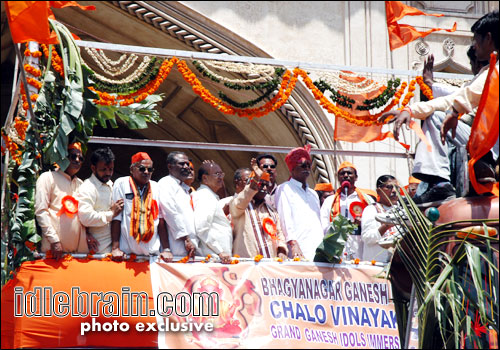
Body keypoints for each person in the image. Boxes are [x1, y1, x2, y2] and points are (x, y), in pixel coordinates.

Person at [380, 11, 499, 203]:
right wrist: (410, 110)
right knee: (437, 118)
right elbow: (458, 95)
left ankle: (440, 183)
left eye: (476, 40)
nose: (474, 46)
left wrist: (453, 111)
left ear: (489, 38)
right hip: (484, 142)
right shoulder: (490, 70)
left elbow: (463, 97)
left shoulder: (495, 71)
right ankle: (438, 183)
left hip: (490, 146)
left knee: (436, 118)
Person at [111, 152, 170, 261]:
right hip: (127, 253)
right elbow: (117, 218)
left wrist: (166, 249)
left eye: (150, 169)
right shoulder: (121, 184)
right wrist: (115, 248)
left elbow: (161, 220)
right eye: (142, 169)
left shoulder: (156, 187)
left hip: (151, 254)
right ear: (132, 169)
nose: (146, 172)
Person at [35, 142, 88, 260]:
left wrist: (88, 235)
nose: (77, 160)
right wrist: (54, 240)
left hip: (77, 255)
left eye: (81, 158)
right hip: (53, 253)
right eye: (73, 156)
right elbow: (41, 211)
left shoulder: (81, 184)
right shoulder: (48, 178)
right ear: (63, 157)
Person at [231, 159, 288, 260]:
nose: (265, 189)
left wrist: (282, 250)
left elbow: (279, 233)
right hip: (247, 265)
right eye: (261, 184)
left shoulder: (271, 211)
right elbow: (244, 197)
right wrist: (256, 177)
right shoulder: (240, 206)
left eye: (267, 185)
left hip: (270, 266)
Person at [275, 145, 324, 260]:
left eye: (308, 165)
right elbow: (284, 219)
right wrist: (293, 244)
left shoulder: (313, 194)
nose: (306, 168)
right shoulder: (284, 188)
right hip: (298, 249)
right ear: (292, 168)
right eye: (302, 165)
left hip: (317, 247)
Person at [320, 161, 374, 260]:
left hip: (359, 245)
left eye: (349, 173)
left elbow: (373, 224)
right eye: (342, 173)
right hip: (336, 245)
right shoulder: (330, 201)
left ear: (356, 177)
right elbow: (323, 224)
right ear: (338, 178)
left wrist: (363, 223)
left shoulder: (366, 199)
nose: (346, 175)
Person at [77, 147, 124, 254]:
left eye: (110, 169)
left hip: (115, 251)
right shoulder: (88, 187)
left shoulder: (112, 185)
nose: (108, 173)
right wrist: (111, 214)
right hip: (97, 251)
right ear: (93, 168)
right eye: (103, 170)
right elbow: (85, 217)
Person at [158, 151, 198, 259]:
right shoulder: (166, 183)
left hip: (190, 247)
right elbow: (170, 212)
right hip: (177, 248)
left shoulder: (184, 188)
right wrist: (186, 238)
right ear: (170, 167)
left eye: (187, 164)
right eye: (181, 164)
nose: (186, 167)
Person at [192, 162, 232, 263]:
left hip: (218, 257)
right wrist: (220, 251)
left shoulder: (210, 196)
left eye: (221, 174)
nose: (220, 178)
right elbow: (201, 228)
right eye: (216, 174)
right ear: (204, 178)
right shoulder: (204, 196)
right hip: (212, 257)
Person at [361, 175, 399, 263]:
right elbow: (367, 238)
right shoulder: (371, 209)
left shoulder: (401, 210)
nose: (394, 191)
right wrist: (386, 226)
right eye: (389, 187)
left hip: (397, 264)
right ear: (379, 191)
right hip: (376, 263)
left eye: (396, 187)